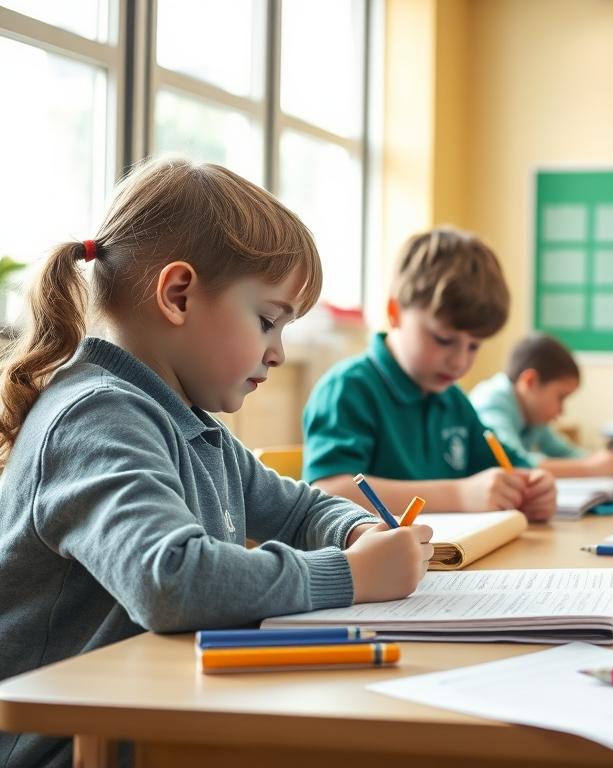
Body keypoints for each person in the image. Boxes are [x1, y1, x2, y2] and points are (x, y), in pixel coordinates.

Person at [0, 159, 432, 768]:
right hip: (74, 749)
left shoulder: (188, 420)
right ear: (178, 295)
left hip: (164, 718)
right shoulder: (96, 418)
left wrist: (355, 531)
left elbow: (301, 506)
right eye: (267, 321)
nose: (278, 353)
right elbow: (171, 581)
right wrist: (353, 576)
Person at [303, 226, 556, 520]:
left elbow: (505, 471)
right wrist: (459, 495)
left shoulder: (453, 401)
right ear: (395, 313)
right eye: (444, 340)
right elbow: (330, 491)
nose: (460, 362)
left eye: (474, 346)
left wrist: (533, 488)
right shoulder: (348, 389)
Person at [469, 332, 613, 478]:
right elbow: (514, 462)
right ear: (530, 382)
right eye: (560, 397)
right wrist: (588, 468)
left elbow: (563, 451)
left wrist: (598, 460)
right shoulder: (491, 403)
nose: (562, 411)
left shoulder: (532, 413)